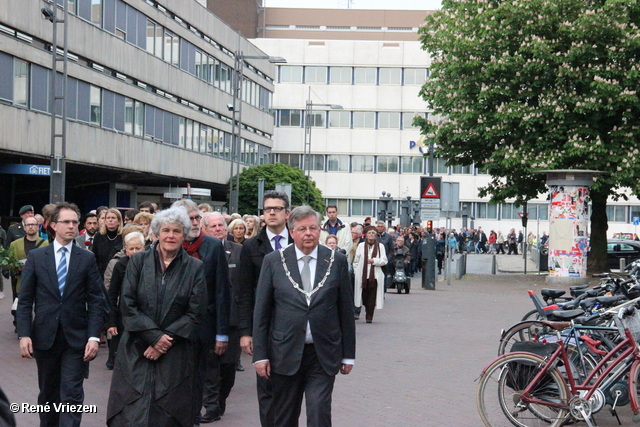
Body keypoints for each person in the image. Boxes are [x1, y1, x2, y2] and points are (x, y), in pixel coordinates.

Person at [252, 206, 355, 427]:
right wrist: (260, 355)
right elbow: (262, 312)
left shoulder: (336, 261)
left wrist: (348, 355)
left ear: (320, 231)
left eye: (313, 228)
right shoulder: (273, 261)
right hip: (285, 352)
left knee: (319, 411)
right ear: (291, 232)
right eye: (302, 229)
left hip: (322, 352)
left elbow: (345, 310)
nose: (308, 233)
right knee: (285, 415)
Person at [106, 207, 207, 426]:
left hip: (176, 352)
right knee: (132, 413)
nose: (171, 235)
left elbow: (195, 312)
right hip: (136, 348)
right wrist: (153, 337)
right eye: (166, 230)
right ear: (156, 234)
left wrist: (164, 341)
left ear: (184, 235)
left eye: (177, 231)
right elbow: (127, 304)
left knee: (170, 413)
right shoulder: (138, 262)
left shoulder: (195, 267)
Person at [16, 202, 105, 427]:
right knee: (48, 394)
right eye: (66, 222)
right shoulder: (37, 257)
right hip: (45, 337)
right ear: (53, 225)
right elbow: (25, 300)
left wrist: (94, 336)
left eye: (75, 222)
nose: (72, 226)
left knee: (72, 394)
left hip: (76, 339)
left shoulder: (86, 258)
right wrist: (24, 334)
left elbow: (95, 300)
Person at [171, 200, 231, 426]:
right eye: (191, 218)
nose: (196, 222)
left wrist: (222, 334)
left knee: (200, 377)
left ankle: (195, 418)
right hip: (173, 327)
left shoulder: (213, 246)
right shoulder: (167, 245)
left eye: (197, 218)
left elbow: (223, 292)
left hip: (204, 327)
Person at [237, 190, 293, 427]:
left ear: (287, 214)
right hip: (264, 326)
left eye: (277, 208)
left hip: (293, 326)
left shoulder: (299, 242)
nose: (271, 212)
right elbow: (244, 292)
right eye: (267, 209)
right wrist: (245, 331)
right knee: (267, 385)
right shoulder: (251, 247)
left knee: (291, 389)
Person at [201, 212, 242, 422]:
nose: (218, 229)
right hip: (209, 317)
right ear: (205, 230)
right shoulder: (201, 251)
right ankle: (211, 405)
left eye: (220, 225)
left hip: (233, 319)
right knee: (209, 364)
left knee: (228, 366)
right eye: (213, 226)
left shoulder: (238, 251)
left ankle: (220, 400)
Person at [104, 231, 145, 370]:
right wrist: (111, 321)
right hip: (123, 314)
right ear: (125, 249)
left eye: (137, 248)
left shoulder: (151, 264)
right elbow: (112, 294)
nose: (134, 252)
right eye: (131, 248)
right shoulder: (120, 265)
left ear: (144, 247)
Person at [8, 216, 49, 331]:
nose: (31, 227)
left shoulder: (46, 244)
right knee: (23, 307)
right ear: (24, 228)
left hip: (41, 283)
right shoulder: (15, 245)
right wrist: (17, 268)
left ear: (38, 227)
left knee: (41, 307)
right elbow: (10, 264)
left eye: (33, 225)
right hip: (22, 282)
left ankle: (40, 329)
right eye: (28, 225)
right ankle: (23, 329)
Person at [353, 225, 387, 323]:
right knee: (364, 296)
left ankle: (369, 315)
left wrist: (374, 261)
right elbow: (356, 261)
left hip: (375, 276)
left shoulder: (380, 246)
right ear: (366, 235)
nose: (371, 235)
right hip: (363, 276)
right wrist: (357, 272)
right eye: (369, 233)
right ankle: (367, 308)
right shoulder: (361, 246)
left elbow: (384, 260)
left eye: (373, 233)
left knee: (372, 296)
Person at [92, 208, 124, 277]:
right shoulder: (99, 236)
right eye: (108, 218)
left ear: (119, 221)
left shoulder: (123, 236)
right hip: (101, 274)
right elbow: (95, 258)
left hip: (118, 274)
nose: (110, 220)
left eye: (113, 218)